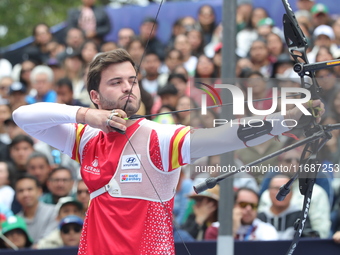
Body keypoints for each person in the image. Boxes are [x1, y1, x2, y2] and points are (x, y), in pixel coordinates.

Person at [12, 49, 324, 254]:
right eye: (116, 82)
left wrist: (285, 120)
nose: (128, 88)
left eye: (132, 80)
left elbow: (224, 137)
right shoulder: (85, 138)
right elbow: (23, 116)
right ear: (94, 95)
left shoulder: (159, 137)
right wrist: (86, 115)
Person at [205, 187, 278, 240]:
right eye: (243, 204)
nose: (249, 209)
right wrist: (233, 230)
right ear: (233, 206)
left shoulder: (267, 230)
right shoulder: (215, 229)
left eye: (253, 206)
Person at [15, 174, 58, 244]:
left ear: (39, 191)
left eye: (30, 189)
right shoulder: (15, 220)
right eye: (21, 191)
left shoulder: (54, 212)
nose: (25, 194)